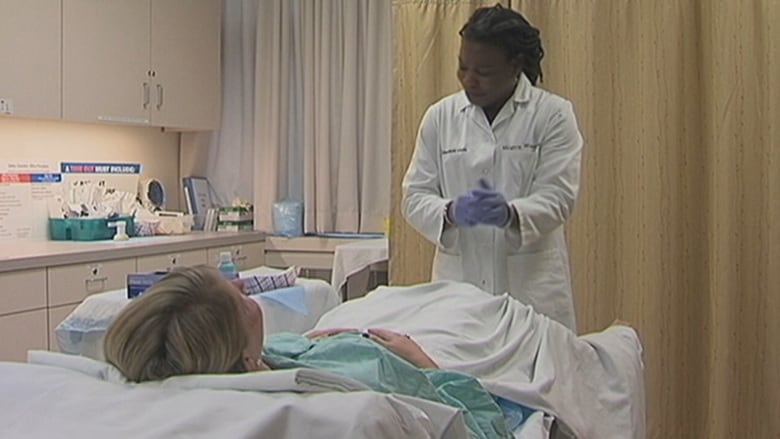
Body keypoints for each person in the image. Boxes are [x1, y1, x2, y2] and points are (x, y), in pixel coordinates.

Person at [103, 266, 519, 439]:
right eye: (239, 300)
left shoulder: (257, 359)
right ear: (245, 359)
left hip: (348, 328)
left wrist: (311, 344)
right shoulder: (370, 380)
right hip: (432, 330)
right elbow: (482, 427)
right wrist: (424, 361)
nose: (243, 286)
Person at [401, 4, 584, 331]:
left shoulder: (553, 115)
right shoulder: (440, 117)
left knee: (538, 375)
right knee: (459, 378)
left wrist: (511, 215)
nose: (469, 80)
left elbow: (559, 197)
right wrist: (451, 212)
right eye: (462, 68)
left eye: (483, 72)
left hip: (532, 292)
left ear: (516, 67)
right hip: (459, 291)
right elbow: (414, 196)